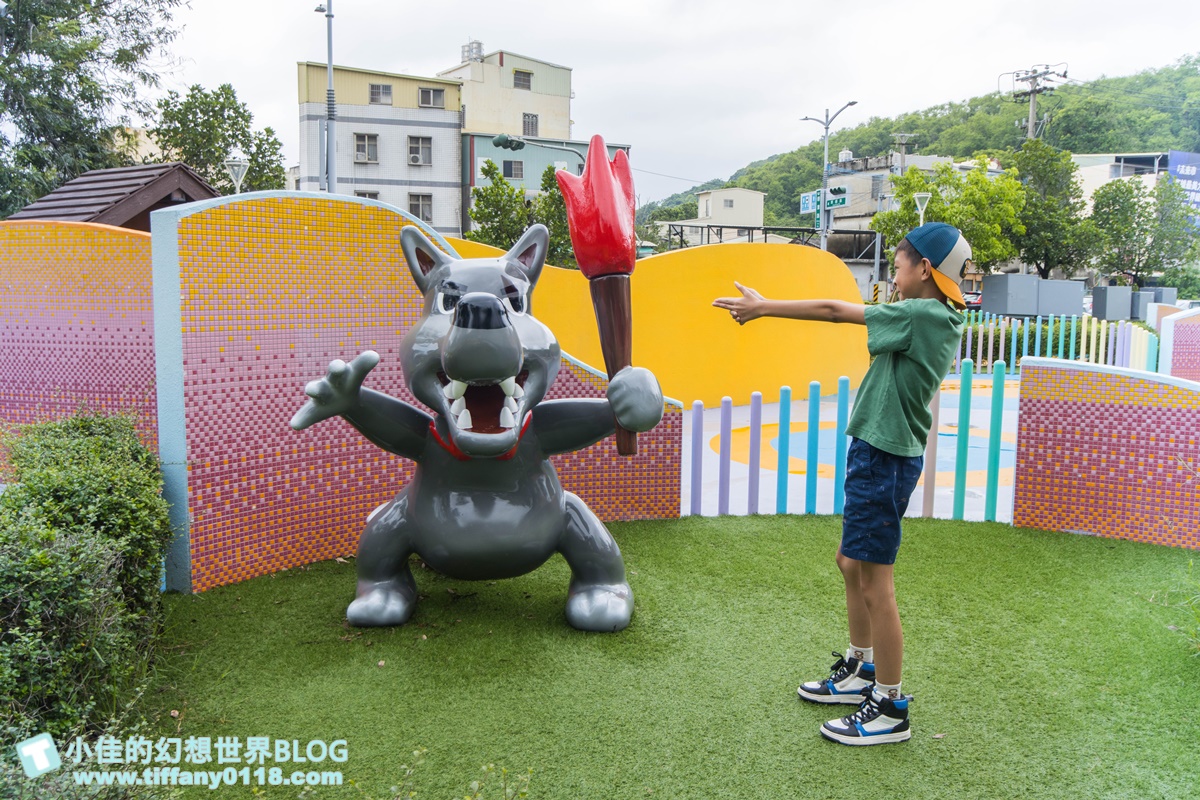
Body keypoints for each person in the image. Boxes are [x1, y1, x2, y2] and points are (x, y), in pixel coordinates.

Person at [712, 222, 970, 745]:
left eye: (897, 265)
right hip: (879, 453)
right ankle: (861, 671)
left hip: (884, 457)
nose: (893, 275)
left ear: (925, 269)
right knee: (850, 562)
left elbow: (835, 312)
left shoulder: (923, 315)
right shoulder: (933, 315)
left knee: (877, 582)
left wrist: (765, 307)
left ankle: (891, 707)